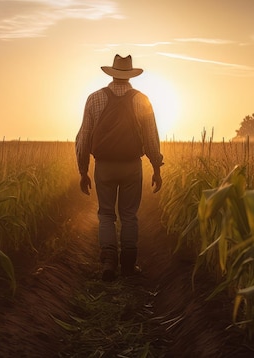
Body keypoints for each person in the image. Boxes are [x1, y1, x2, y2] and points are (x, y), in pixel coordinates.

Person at [75, 54, 164, 282]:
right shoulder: (142, 100)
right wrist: (156, 166)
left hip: (103, 166)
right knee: (129, 215)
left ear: (112, 73)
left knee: (105, 214)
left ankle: (108, 262)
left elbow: (84, 136)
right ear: (130, 74)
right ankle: (128, 265)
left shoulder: (94, 98)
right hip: (132, 165)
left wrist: (83, 170)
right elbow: (151, 137)